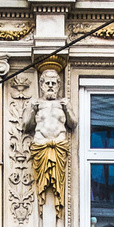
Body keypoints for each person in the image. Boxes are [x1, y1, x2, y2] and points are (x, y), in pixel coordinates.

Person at [22, 62, 77, 216]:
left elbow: (73, 124)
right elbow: (26, 126)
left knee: (58, 183)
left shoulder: (63, 104)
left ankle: (54, 207)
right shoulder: (35, 104)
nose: (51, 86)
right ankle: (42, 204)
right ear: (41, 85)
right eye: (47, 83)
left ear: (59, 85)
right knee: (42, 184)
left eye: (54, 83)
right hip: (40, 146)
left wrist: (68, 108)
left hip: (59, 146)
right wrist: (32, 110)